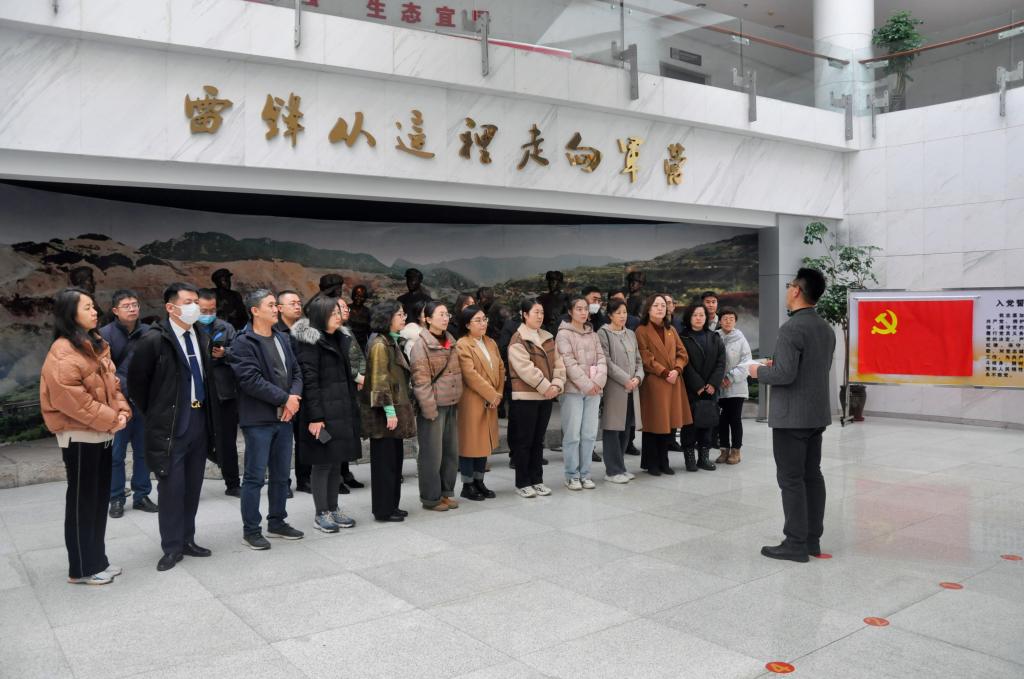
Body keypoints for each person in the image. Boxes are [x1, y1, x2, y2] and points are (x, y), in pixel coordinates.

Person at [41, 288, 131, 585]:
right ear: (70, 314)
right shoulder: (63, 350)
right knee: (83, 501)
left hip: (101, 431)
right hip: (79, 435)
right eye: (88, 307)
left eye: (94, 306)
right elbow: (71, 400)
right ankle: (81, 568)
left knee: (98, 499)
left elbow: (113, 385)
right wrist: (112, 419)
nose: (95, 312)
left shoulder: (95, 343)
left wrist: (122, 412)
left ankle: (97, 560)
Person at [129, 283, 220, 572]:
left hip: (199, 419)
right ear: (171, 307)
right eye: (189, 302)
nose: (196, 307)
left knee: (193, 486)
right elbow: (137, 384)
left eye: (196, 301)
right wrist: (157, 414)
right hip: (171, 424)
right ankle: (171, 546)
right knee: (171, 488)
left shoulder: (201, 335)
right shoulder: (154, 340)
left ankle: (187, 539)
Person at [749, 268, 835, 563]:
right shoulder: (825, 328)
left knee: (791, 479)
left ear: (797, 290)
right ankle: (811, 540)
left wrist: (758, 372)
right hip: (816, 414)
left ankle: (795, 543)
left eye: (789, 285)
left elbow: (785, 375)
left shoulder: (791, 329)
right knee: (812, 475)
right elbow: (812, 369)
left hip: (791, 418)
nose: (787, 289)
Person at [228, 289, 305, 550]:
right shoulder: (243, 342)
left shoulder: (282, 337)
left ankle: (277, 521)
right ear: (255, 310)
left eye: (276, 305)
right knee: (255, 477)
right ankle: (251, 530)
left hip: (285, 418)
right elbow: (250, 380)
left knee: (282, 475)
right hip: (259, 419)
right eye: (270, 305)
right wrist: (285, 399)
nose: (276, 309)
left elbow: (296, 372)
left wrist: (293, 398)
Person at [291, 295, 360, 533]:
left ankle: (333, 507)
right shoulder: (310, 342)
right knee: (322, 463)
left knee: (336, 460)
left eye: (339, 312)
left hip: (340, 411)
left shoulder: (338, 338)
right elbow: (310, 382)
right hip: (320, 415)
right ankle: (321, 513)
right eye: (333, 313)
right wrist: (316, 418)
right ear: (320, 316)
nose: (338, 317)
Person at [98, 289, 155, 518]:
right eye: (126, 306)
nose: (132, 309)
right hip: (116, 405)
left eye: (135, 304)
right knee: (116, 455)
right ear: (115, 310)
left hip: (143, 404)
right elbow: (101, 372)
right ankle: (116, 498)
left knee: (143, 452)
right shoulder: (104, 335)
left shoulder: (149, 333)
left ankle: (142, 495)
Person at [361, 300, 416, 522]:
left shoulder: (392, 341)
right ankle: (383, 510)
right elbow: (379, 381)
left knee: (394, 462)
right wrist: (389, 412)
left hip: (396, 410)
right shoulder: (379, 344)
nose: (404, 318)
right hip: (385, 415)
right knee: (384, 465)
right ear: (387, 317)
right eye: (399, 314)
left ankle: (393, 505)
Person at [507, 298, 565, 498]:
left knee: (538, 440)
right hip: (526, 397)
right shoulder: (518, 339)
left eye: (541, 312)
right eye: (535, 312)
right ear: (525, 315)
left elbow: (559, 364)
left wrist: (557, 384)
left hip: (546, 396)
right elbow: (525, 369)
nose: (540, 316)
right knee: (524, 441)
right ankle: (523, 482)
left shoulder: (548, 337)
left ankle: (537, 480)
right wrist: (546, 387)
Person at [409, 302, 463, 511]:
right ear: (428, 319)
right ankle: (431, 498)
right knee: (432, 455)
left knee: (450, 452)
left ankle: (446, 492)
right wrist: (429, 408)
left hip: (451, 403)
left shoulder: (451, 341)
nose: (445, 318)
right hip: (433, 407)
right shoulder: (420, 346)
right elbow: (421, 381)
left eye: (447, 314)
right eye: (440, 314)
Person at [635, 294, 690, 476]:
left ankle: (663, 461)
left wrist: (677, 369)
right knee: (653, 425)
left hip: (673, 380)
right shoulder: (641, 330)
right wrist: (665, 372)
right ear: (648, 309)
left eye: (663, 305)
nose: (660, 308)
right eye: (656, 305)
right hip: (655, 382)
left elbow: (682, 353)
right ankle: (651, 463)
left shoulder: (671, 329)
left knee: (668, 425)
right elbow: (646, 358)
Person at [556, 297, 607, 490]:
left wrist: (597, 382)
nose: (583, 312)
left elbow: (602, 359)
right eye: (579, 309)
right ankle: (572, 475)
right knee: (572, 435)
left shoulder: (593, 334)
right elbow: (568, 362)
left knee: (589, 434)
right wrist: (587, 385)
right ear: (570, 312)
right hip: (572, 391)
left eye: (585, 309)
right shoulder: (563, 334)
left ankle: (585, 474)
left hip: (594, 391)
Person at [454, 305, 505, 501]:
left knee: (483, 442)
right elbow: (470, 375)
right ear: (467, 324)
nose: (483, 323)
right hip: (472, 400)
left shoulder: (490, 342)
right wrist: (492, 395)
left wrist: (497, 394)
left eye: (484, 319)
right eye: (478, 320)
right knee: (470, 443)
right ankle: (467, 484)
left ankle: (479, 480)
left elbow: (501, 368)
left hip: (491, 399)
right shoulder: (463, 344)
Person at [196, 289, 241, 496]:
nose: (208, 314)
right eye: (204, 311)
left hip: (224, 392)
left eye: (212, 310)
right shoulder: (189, 328)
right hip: (198, 391)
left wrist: (225, 354)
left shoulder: (226, 327)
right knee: (197, 439)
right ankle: (193, 485)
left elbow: (240, 354)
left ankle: (233, 484)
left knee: (227, 440)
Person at [597, 299, 643, 483]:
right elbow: (606, 361)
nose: (622, 316)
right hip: (615, 388)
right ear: (610, 315)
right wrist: (626, 380)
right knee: (612, 429)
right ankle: (612, 471)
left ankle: (621, 467)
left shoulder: (630, 333)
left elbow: (639, 360)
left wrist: (638, 377)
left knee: (626, 428)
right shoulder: (603, 333)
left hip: (633, 388)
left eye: (624, 312)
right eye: (618, 313)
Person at [680, 304, 725, 473]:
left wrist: (713, 383)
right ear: (689, 317)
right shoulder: (682, 337)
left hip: (711, 389)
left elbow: (721, 362)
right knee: (689, 425)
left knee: (707, 422)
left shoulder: (714, 337)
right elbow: (684, 363)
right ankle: (690, 458)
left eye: (702, 315)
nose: (699, 318)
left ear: (706, 318)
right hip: (691, 389)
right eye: (695, 315)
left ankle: (704, 458)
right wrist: (698, 385)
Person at [274, 290, 307, 495]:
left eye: (299, 303)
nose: (297, 306)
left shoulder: (306, 330)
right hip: (282, 394)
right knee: (282, 443)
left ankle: (304, 479)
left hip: (303, 392)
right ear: (279, 308)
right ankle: (282, 482)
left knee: (304, 439)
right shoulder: (274, 332)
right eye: (292, 303)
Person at [335, 297, 366, 492]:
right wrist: (357, 376)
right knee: (339, 433)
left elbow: (359, 356)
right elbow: (342, 362)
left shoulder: (347, 330)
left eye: (347, 307)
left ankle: (346, 472)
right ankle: (337, 477)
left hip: (353, 388)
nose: (347, 310)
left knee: (350, 432)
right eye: (342, 307)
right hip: (341, 387)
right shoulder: (330, 334)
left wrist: (363, 375)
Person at [717, 308, 751, 465]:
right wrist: (718, 379)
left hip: (737, 386)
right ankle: (724, 450)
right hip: (719, 386)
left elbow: (746, 363)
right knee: (722, 419)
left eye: (731, 318)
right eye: (725, 318)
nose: (728, 321)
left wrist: (730, 377)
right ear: (720, 321)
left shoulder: (741, 339)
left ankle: (736, 450)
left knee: (734, 418)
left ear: (735, 321)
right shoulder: (715, 337)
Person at [537, 270, 568, 335]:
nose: (550, 284)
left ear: (559, 283)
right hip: (544, 333)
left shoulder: (566, 298)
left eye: (553, 282)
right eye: (549, 282)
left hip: (561, 332)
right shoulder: (541, 299)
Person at [348, 284, 372, 351]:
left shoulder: (367, 311)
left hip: (362, 344)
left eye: (361, 297)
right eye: (356, 296)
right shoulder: (346, 309)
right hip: (347, 342)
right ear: (353, 296)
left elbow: (369, 331)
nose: (358, 299)